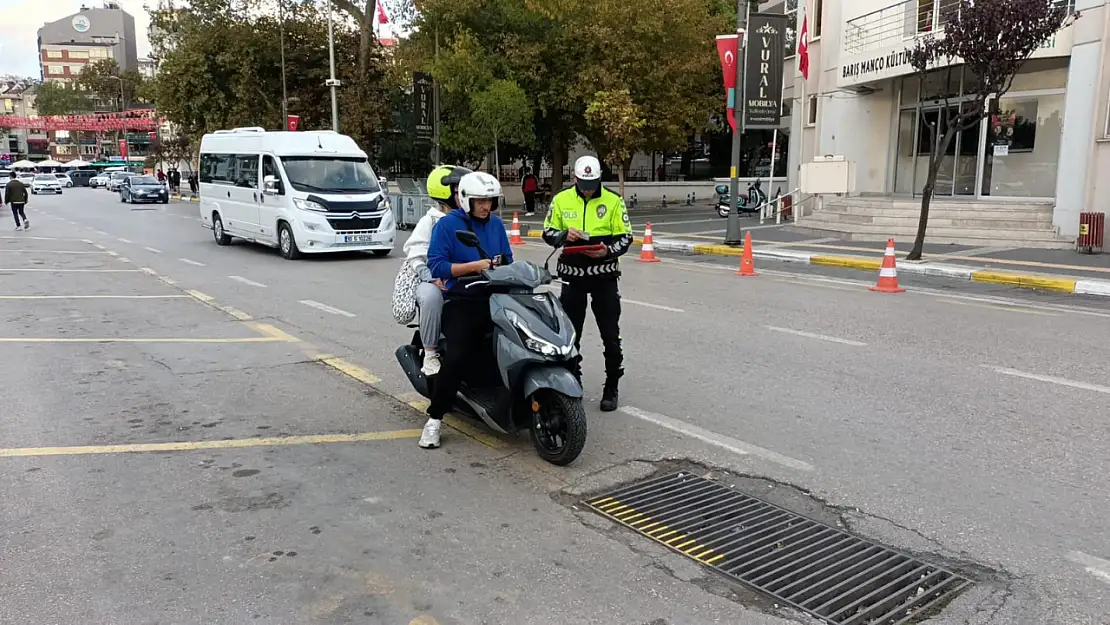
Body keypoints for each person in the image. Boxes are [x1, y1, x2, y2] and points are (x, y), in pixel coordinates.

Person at [419, 171, 514, 449]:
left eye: (490, 201)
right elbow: (437, 266)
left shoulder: (495, 225)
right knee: (459, 352)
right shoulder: (448, 226)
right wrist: (476, 267)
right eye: (480, 201)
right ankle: (435, 419)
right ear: (465, 200)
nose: (486, 207)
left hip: (496, 295)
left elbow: (508, 258)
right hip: (462, 298)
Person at [543, 155, 633, 412]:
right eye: (583, 183)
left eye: (592, 183)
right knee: (571, 336)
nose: (588, 188)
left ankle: (612, 386)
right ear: (575, 179)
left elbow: (626, 237)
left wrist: (607, 251)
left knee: (610, 335)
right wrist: (563, 235)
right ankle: (574, 380)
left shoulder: (613, 201)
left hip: (604, 277)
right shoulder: (561, 200)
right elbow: (548, 232)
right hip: (573, 277)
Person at [398, 164, 472, 376]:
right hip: (432, 279)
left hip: (465, 277)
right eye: (459, 191)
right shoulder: (430, 220)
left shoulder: (471, 218)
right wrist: (430, 277)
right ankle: (430, 352)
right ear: (446, 192)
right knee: (431, 297)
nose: (464, 195)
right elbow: (416, 253)